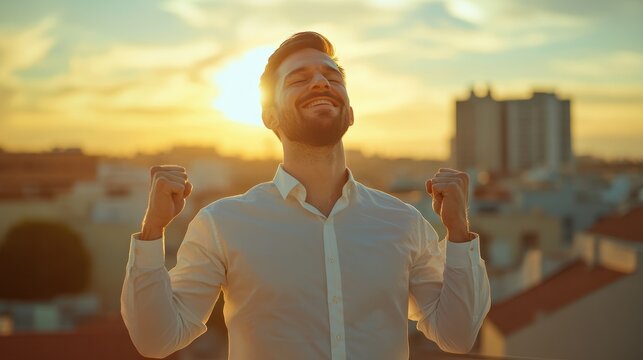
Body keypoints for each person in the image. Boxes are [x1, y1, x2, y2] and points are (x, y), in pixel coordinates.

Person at [121, 31, 491, 360]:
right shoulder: (222, 223)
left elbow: (456, 337)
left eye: (332, 77)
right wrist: (152, 231)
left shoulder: (404, 221)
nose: (320, 83)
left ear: (350, 112)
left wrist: (458, 233)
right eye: (299, 79)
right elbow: (158, 341)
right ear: (270, 116)